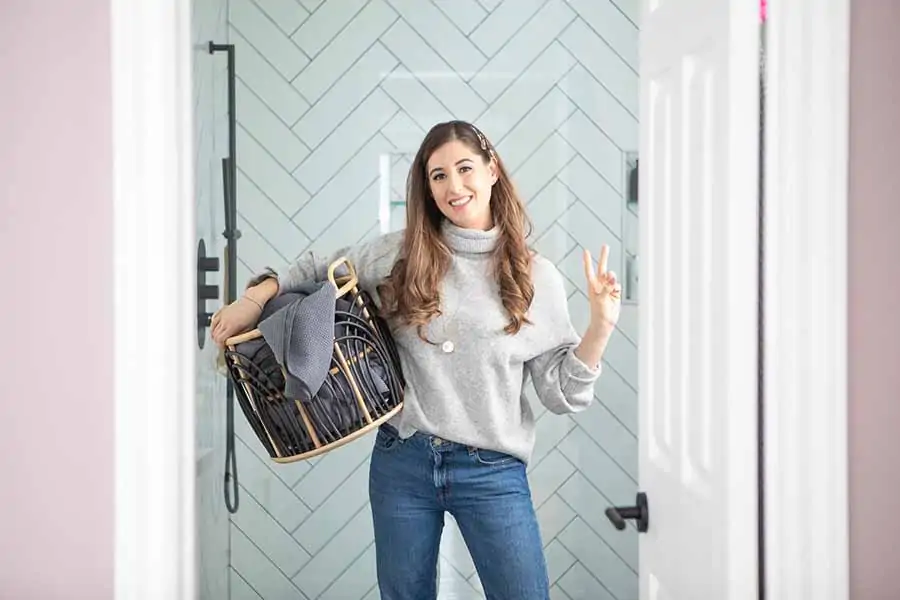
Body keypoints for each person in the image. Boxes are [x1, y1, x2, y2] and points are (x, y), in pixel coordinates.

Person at [210, 120, 621, 600]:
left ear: (492, 171)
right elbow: (312, 268)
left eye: (465, 168)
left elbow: (560, 393)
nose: (454, 186)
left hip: (491, 469)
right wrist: (253, 301)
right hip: (402, 461)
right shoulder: (401, 253)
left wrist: (600, 327)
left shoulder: (535, 276)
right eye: (438, 175)